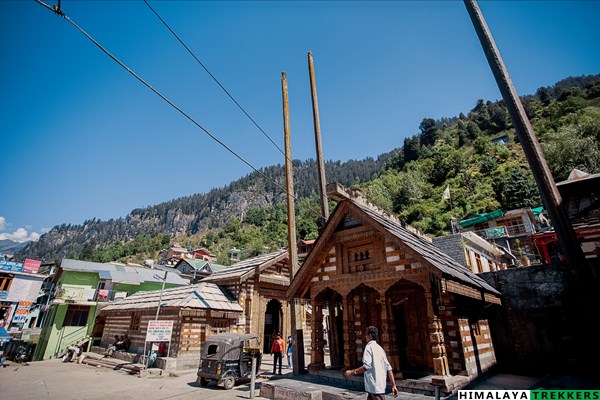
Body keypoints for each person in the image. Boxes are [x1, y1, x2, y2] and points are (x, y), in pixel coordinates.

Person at [343, 326, 398, 399]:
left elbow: (366, 366)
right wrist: (393, 385)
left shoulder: (369, 347)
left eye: (366, 334)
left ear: (370, 336)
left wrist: (352, 372)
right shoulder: (380, 349)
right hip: (378, 386)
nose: (365, 336)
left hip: (374, 387)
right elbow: (389, 368)